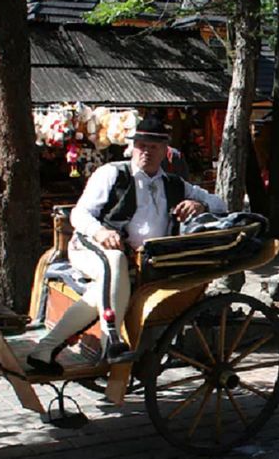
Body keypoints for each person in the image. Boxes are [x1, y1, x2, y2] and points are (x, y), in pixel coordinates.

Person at [27, 117, 227, 374]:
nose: (146, 152)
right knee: (114, 260)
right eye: (141, 145)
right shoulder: (112, 174)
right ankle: (111, 339)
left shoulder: (174, 184)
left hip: (139, 261)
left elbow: (220, 204)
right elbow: (79, 214)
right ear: (132, 147)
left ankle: (44, 350)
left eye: (153, 147)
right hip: (88, 247)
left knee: (100, 289)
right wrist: (100, 232)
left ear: (164, 151)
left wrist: (200, 205)